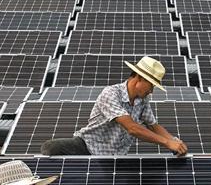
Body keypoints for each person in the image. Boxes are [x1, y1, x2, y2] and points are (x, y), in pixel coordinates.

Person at [41, 56, 188, 156]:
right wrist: (167, 143)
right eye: (151, 85)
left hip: (115, 156)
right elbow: (132, 128)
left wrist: (175, 142)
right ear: (139, 78)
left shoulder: (143, 100)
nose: (151, 91)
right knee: (51, 147)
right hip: (88, 147)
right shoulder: (111, 94)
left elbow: (153, 126)